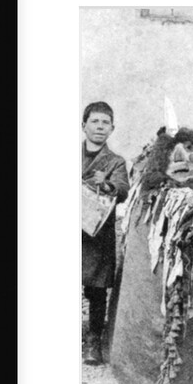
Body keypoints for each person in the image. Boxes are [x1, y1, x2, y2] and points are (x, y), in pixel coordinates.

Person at [109, 122, 193, 384]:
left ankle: (174, 376)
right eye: (173, 151)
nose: (182, 157)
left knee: (181, 309)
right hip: (149, 275)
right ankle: (142, 373)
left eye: (191, 150)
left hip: (183, 277)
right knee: (145, 308)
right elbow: (135, 241)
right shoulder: (145, 200)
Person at [81, 101, 129, 365]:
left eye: (105, 123)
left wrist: (107, 183)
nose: (100, 127)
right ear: (83, 125)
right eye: (95, 121)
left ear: (112, 128)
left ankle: (93, 341)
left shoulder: (116, 161)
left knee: (97, 289)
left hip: (97, 233)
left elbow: (123, 190)